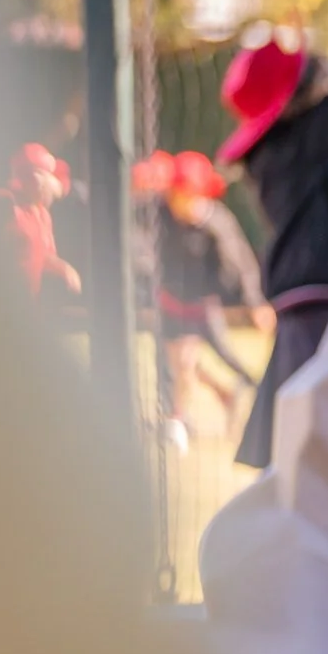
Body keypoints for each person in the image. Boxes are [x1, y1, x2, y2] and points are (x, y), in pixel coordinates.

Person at [219, 0, 328, 470]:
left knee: (302, 437)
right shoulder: (293, 152)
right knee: (316, 440)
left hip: (309, 302)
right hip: (315, 303)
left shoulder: (290, 154)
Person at [137, 149, 268, 445]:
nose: (182, 203)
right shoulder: (157, 210)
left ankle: (248, 392)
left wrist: (255, 303)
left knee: (219, 357)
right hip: (170, 301)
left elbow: (243, 261)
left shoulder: (214, 222)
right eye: (177, 194)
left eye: (190, 195)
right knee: (179, 363)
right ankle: (177, 420)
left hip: (202, 305)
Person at [0, 143, 79, 301]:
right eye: (51, 178)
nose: (56, 187)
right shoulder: (6, 204)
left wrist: (63, 268)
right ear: (36, 178)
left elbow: (44, 255)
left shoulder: (42, 214)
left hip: (26, 305)